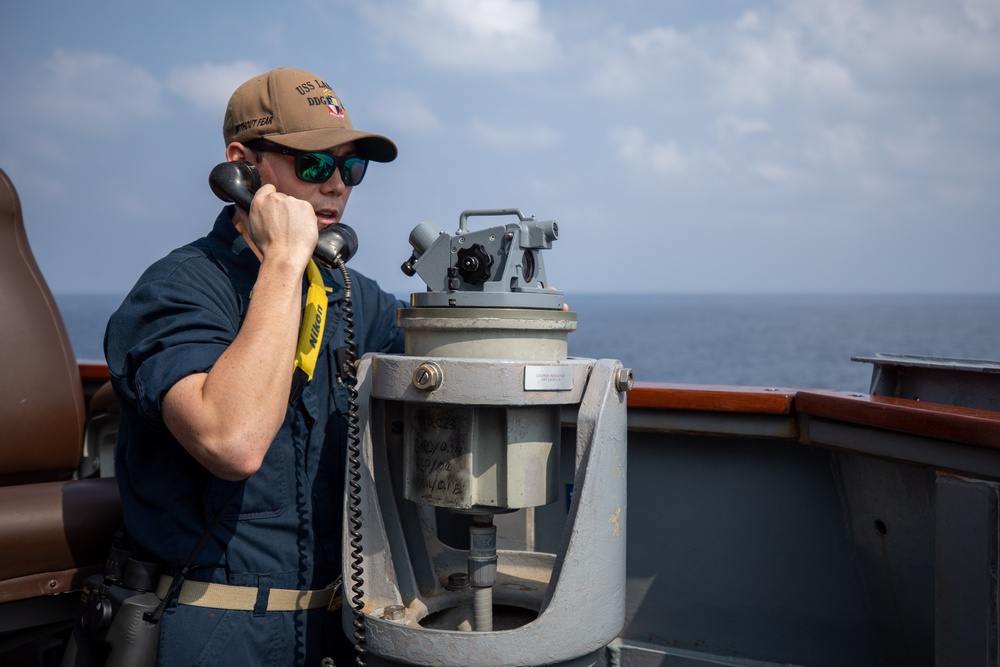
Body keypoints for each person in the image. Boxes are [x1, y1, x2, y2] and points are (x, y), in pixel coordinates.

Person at [104, 67, 404, 665]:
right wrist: (283, 267)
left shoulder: (357, 300)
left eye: (352, 168)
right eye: (314, 165)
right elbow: (232, 440)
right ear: (242, 166)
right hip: (215, 630)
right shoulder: (178, 290)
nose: (336, 187)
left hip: (335, 634)